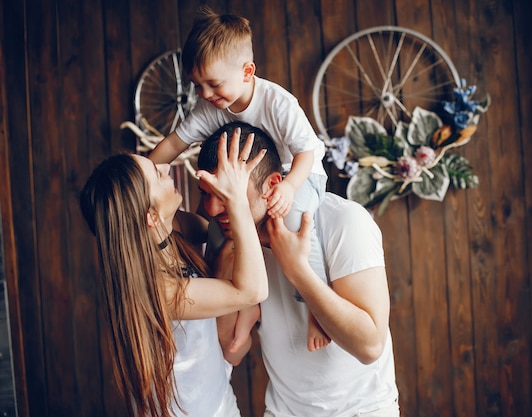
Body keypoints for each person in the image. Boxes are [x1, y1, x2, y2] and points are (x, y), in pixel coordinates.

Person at [149, 5, 330, 351]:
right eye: (197, 86)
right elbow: (174, 142)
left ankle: (315, 306)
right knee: (220, 240)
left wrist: (291, 186)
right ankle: (245, 311)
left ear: (247, 72)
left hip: (300, 176)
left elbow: (309, 151)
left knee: (295, 224)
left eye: (213, 84)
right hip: (253, 192)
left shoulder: (277, 102)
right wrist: (142, 172)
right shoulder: (210, 107)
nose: (204, 94)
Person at [196, 122, 400, 417]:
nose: (212, 209)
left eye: (227, 194)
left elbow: (369, 346)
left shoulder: (343, 221)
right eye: (207, 193)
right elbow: (232, 349)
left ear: (272, 186)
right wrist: (224, 263)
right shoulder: (231, 245)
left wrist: (297, 269)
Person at [80, 128, 268, 417]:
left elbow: (217, 231)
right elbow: (252, 290)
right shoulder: (156, 289)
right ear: (151, 216)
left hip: (217, 398)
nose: (167, 166)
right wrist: (236, 196)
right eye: (158, 174)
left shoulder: (168, 230)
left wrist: (208, 119)